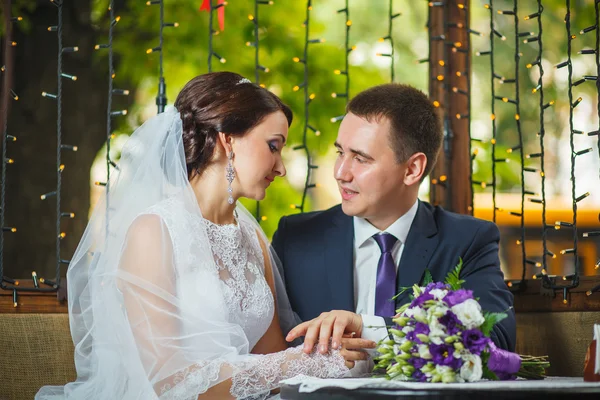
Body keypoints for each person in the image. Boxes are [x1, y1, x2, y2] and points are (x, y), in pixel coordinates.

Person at [35, 72, 366, 400]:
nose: (280, 167)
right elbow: (170, 382)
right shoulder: (153, 231)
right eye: (273, 146)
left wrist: (330, 355)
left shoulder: (251, 237)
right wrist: (294, 364)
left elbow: (272, 361)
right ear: (228, 139)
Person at [275, 83, 516, 372]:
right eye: (340, 152)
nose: (341, 173)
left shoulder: (468, 241)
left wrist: (368, 329)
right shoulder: (295, 239)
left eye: (361, 158)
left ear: (412, 169)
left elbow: (496, 344)